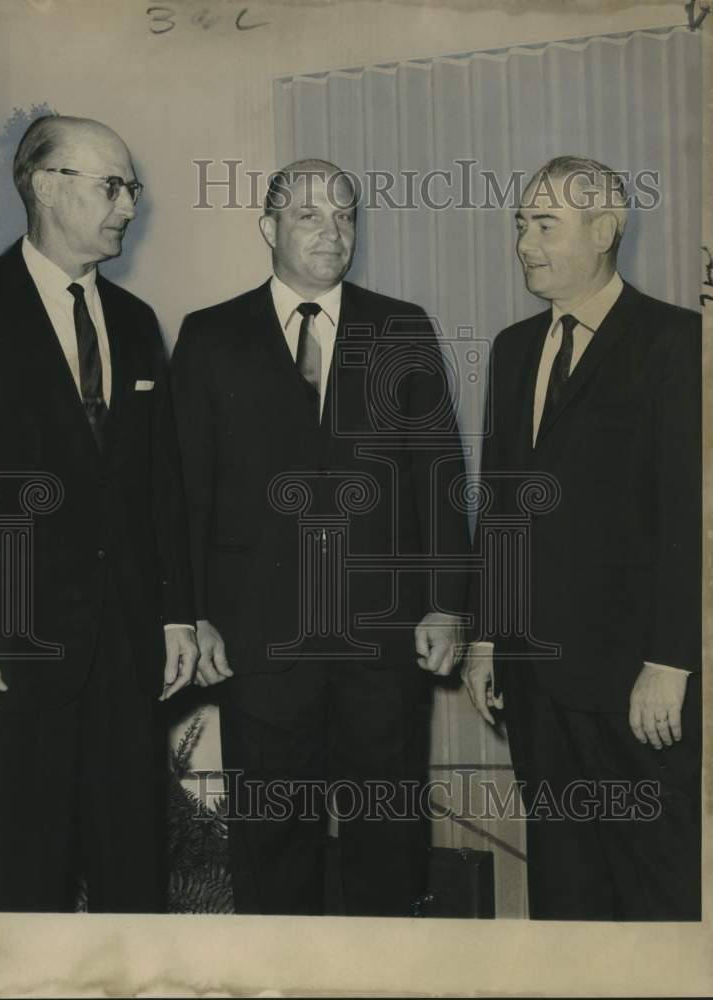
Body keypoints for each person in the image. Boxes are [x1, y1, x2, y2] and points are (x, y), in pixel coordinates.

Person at [171, 159, 470, 916]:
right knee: (271, 841)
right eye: (309, 216)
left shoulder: (401, 327)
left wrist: (446, 604)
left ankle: (384, 970)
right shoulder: (210, 336)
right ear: (268, 227)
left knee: (387, 838)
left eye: (344, 216)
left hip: (382, 636)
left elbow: (438, 474)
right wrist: (194, 612)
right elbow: (184, 489)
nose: (331, 233)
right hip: (259, 637)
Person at [0, 115, 199, 912]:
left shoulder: (137, 323)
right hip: (6, 656)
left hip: (125, 656)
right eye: (113, 186)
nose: (129, 207)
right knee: (23, 890)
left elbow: (160, 486)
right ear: (48, 186)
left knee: (134, 886)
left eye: (130, 189)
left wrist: (176, 615)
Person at [462, 156, 702, 920]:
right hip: (536, 683)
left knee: (654, 894)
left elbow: (688, 517)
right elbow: (500, 506)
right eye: (520, 225)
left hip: (636, 686)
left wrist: (669, 661)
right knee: (564, 896)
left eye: (544, 225)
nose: (523, 244)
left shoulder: (676, 341)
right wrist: (486, 639)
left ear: (603, 231)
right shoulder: (511, 348)